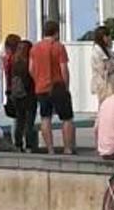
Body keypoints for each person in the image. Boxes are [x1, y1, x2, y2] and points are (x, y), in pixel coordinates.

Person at [30, 20, 74, 155]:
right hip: (58, 85)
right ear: (56, 32)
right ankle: (67, 148)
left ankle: (50, 149)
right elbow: (64, 68)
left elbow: (31, 69)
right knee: (66, 118)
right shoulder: (59, 47)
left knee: (45, 117)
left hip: (41, 86)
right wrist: (66, 86)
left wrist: (37, 79)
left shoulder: (35, 48)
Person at [10, 40, 38, 152]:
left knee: (19, 121)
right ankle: (29, 145)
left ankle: (18, 144)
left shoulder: (14, 63)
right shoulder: (30, 63)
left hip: (17, 95)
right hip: (30, 95)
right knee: (29, 122)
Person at [90, 26, 114, 106]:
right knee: (105, 105)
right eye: (108, 36)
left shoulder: (105, 50)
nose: (110, 38)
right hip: (104, 84)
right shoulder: (98, 51)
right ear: (103, 37)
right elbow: (104, 69)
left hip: (109, 83)